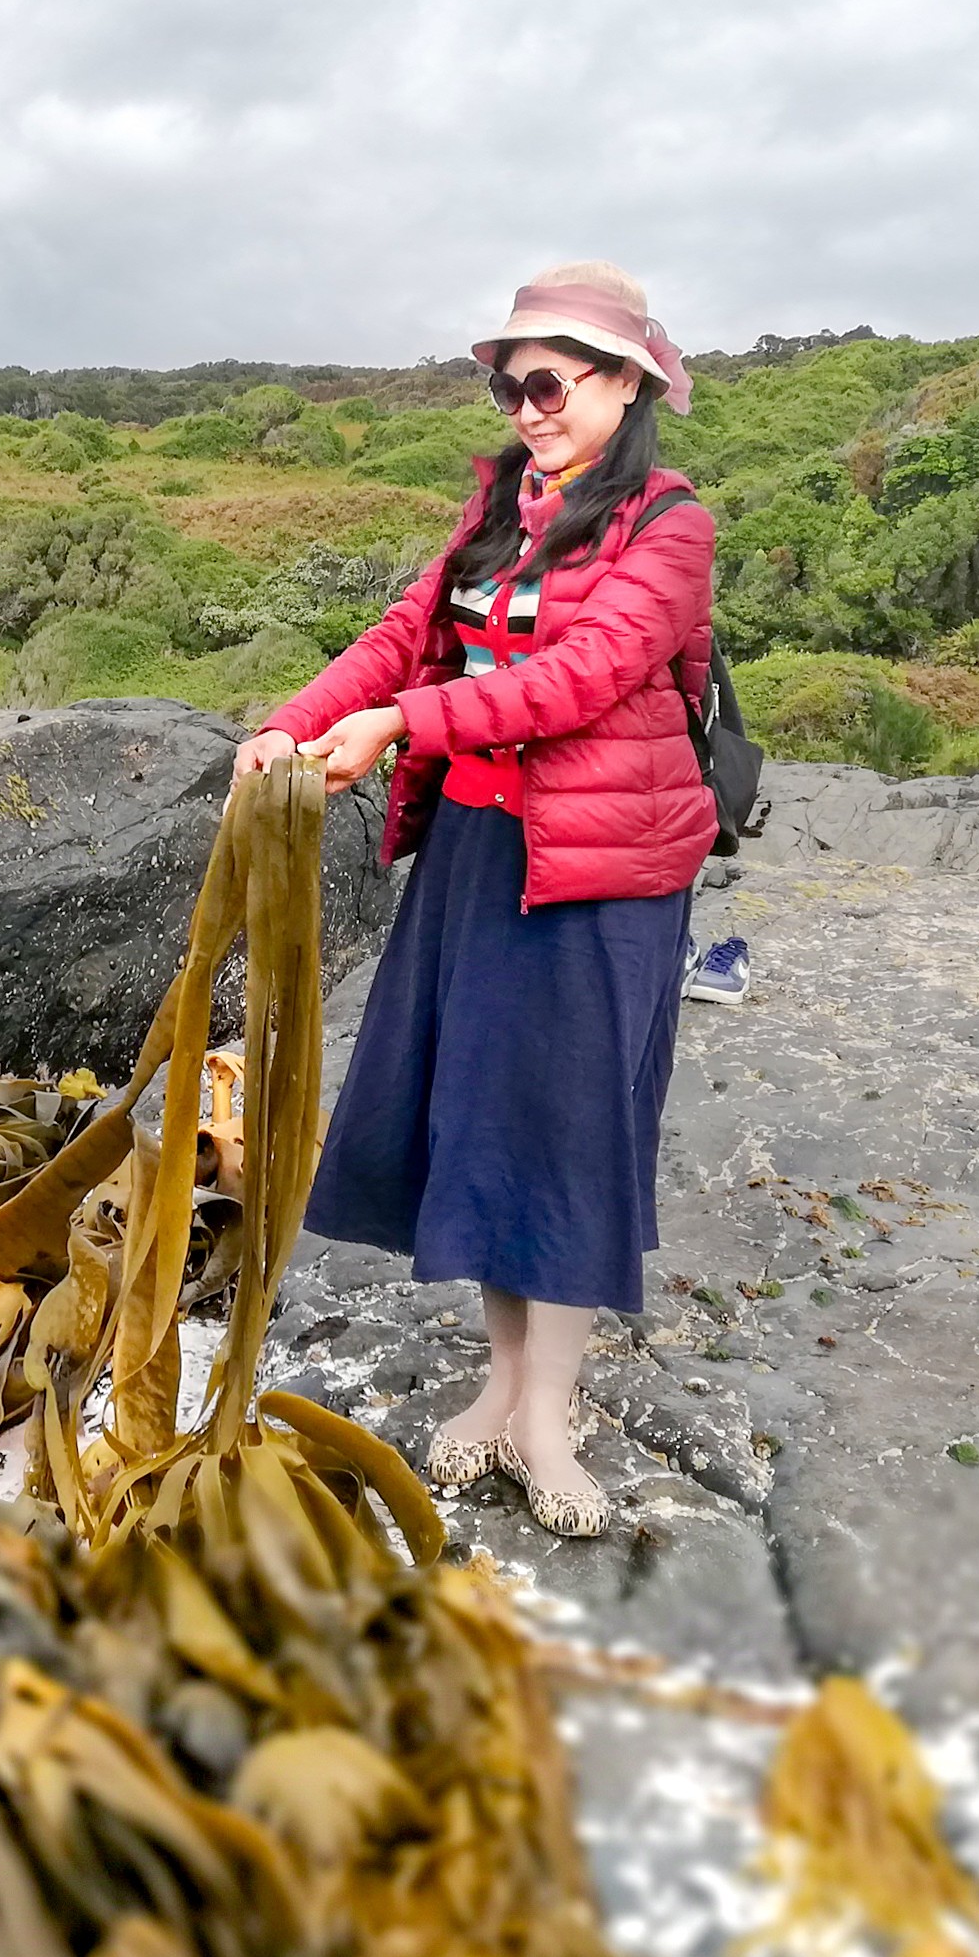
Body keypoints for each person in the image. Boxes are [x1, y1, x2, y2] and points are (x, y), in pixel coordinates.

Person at [235, 261, 716, 1539]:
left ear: (625, 383)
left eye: (549, 383)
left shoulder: (669, 525)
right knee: (485, 1127)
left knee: (564, 1138)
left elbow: (584, 676)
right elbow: (407, 633)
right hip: (478, 851)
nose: (526, 408)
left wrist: (405, 723)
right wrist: (293, 720)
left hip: (599, 869)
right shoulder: (501, 504)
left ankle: (548, 1413)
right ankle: (501, 1387)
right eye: (508, 386)